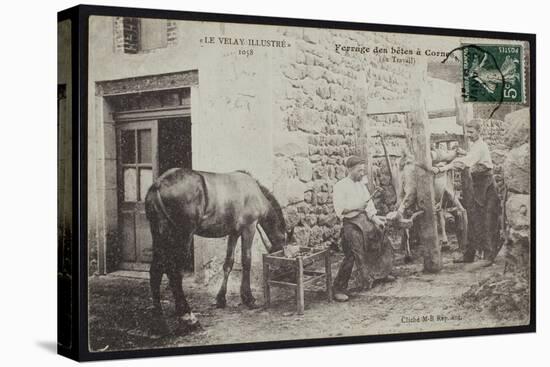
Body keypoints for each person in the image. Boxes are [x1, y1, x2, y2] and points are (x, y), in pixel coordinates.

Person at [432, 119, 502, 263]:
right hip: (477, 184)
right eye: (467, 132)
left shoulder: (481, 146)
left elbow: (465, 162)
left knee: (486, 221)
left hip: (486, 185)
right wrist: (463, 152)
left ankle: (488, 256)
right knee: (472, 219)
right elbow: (470, 156)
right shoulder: (475, 145)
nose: (469, 135)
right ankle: (469, 255)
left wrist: (442, 168)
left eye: (471, 132)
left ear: (478, 131)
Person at [332, 156, 391, 302]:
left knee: (381, 237)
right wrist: (357, 207)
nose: (362, 173)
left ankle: (380, 274)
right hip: (350, 224)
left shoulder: (361, 185)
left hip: (364, 220)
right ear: (350, 170)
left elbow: (369, 207)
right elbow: (341, 210)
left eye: (363, 170)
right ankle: (338, 288)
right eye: (359, 170)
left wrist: (377, 221)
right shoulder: (340, 186)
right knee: (353, 253)